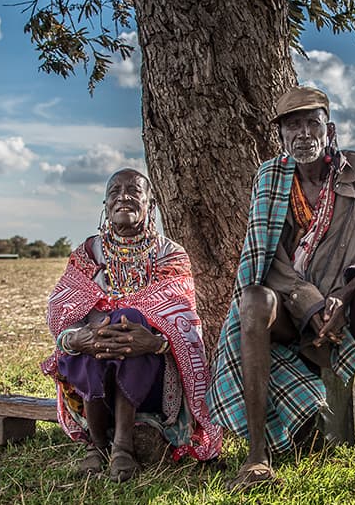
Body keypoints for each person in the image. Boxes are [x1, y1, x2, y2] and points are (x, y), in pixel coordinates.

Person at [208, 85, 355, 491]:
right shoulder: (269, 179)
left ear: (330, 130)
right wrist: (310, 302)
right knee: (252, 300)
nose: (303, 133)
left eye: (311, 123)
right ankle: (256, 458)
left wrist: (344, 295)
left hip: (349, 303)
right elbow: (263, 260)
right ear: (281, 137)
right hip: (293, 308)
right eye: (292, 126)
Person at [40, 169, 222, 480]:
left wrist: (153, 341)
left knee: (132, 321)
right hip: (90, 378)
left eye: (133, 190)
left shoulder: (170, 255)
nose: (123, 196)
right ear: (105, 203)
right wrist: (79, 338)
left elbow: (184, 322)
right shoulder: (87, 254)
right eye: (115, 191)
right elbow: (61, 311)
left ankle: (121, 445)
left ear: (150, 204)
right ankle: (97, 445)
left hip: (150, 378)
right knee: (100, 330)